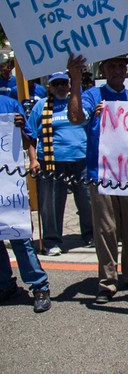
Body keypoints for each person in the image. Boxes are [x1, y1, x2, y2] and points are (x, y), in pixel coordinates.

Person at [67, 53, 128, 305]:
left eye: (121, 65)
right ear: (103, 69)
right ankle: (107, 282)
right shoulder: (93, 97)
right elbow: (75, 117)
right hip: (102, 175)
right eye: (112, 65)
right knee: (106, 230)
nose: (117, 69)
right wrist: (74, 81)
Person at [26, 71, 93, 256]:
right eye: (56, 84)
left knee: (87, 200)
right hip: (50, 162)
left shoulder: (78, 103)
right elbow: (31, 135)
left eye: (64, 83)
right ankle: (51, 240)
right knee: (51, 203)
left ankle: (90, 234)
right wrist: (33, 160)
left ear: (70, 84)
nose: (61, 87)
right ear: (50, 87)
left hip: (81, 159)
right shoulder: (41, 106)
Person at [0, 94, 51, 312]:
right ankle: (5, 285)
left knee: (18, 235)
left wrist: (21, 132)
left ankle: (39, 286)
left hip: (7, 184)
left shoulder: (9, 104)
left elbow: (28, 140)